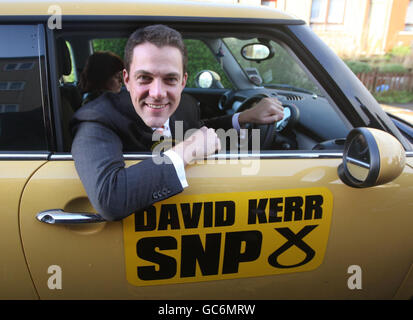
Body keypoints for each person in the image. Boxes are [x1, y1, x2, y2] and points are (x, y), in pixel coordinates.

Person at [70, 24, 284, 221]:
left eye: (170, 79)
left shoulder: (185, 105)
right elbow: (110, 198)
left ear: (183, 82)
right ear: (127, 80)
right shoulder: (96, 118)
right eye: (144, 78)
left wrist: (243, 117)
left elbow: (198, 128)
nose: (157, 94)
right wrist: (188, 150)